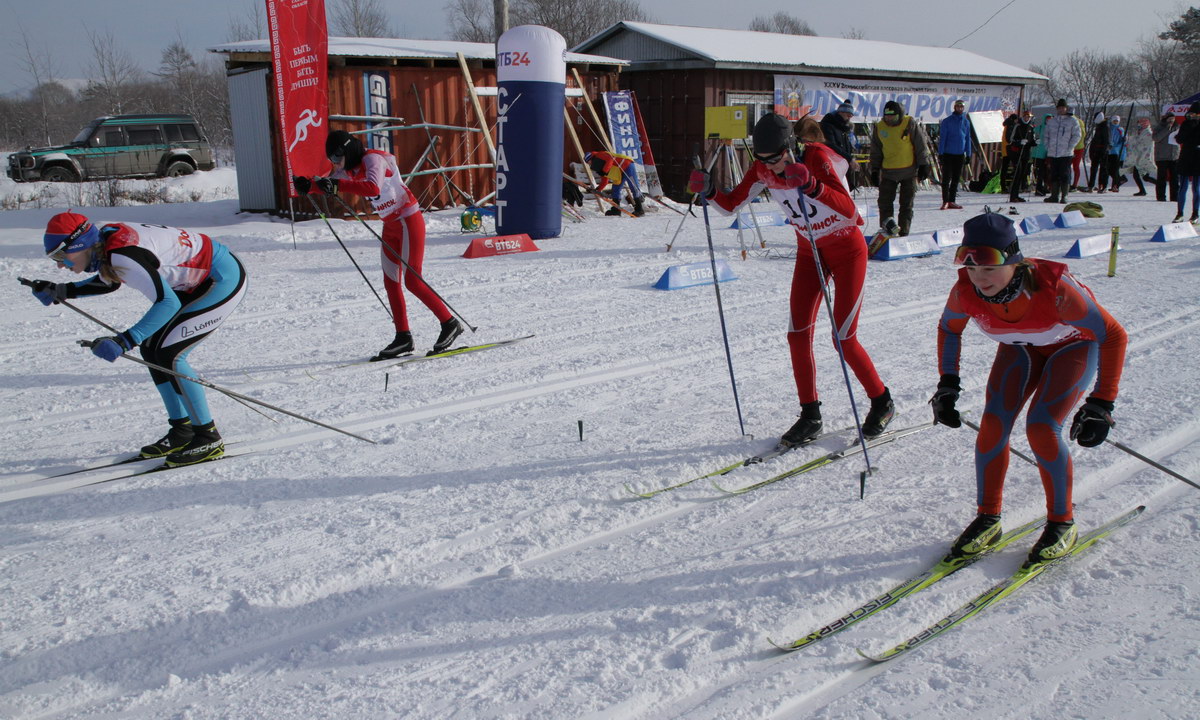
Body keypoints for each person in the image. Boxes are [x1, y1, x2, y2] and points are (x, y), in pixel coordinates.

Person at [932, 210, 1127, 565]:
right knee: (992, 425)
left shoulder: (1055, 292)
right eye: (971, 266)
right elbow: (949, 329)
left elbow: (1112, 334)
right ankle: (988, 517)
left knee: (1041, 427)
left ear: (1014, 260)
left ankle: (1062, 522)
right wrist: (948, 384)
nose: (979, 277)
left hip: (1073, 347)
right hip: (1020, 349)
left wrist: (1102, 402)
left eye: (989, 267)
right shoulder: (965, 291)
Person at [689, 114, 893, 447]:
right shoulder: (763, 170)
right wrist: (710, 190)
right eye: (763, 160)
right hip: (810, 251)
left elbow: (852, 214)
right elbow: (730, 207)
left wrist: (813, 185)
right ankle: (810, 415)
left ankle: (882, 401)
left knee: (843, 337)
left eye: (777, 158)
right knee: (796, 334)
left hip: (847, 250)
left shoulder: (816, 158)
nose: (772, 167)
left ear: (791, 147)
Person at [27, 212, 248, 466]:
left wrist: (124, 341)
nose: (59, 265)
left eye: (59, 256)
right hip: (196, 281)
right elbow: (109, 280)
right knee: (152, 350)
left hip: (222, 279)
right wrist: (61, 291)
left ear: (79, 245)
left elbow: (167, 302)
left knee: (170, 353)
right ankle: (182, 430)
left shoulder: (121, 253)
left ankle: (208, 436)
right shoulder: (108, 245)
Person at [295, 130, 463, 361]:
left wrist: (335, 186)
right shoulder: (350, 168)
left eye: (336, 158)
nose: (335, 164)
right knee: (391, 282)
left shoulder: (373, 160)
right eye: (332, 161)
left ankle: (449, 323)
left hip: (408, 220)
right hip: (391, 225)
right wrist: (308, 185)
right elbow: (330, 182)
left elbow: (372, 187)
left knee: (412, 280)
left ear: (347, 150)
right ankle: (403, 337)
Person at [868, 100, 931, 236]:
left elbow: (920, 145)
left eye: (893, 116)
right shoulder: (879, 127)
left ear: (900, 115)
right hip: (888, 171)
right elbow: (876, 150)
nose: (889, 119)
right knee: (884, 203)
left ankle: (904, 231)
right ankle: (888, 230)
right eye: (887, 116)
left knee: (906, 204)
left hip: (908, 171)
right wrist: (874, 169)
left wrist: (924, 164)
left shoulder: (909, 123)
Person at [1042, 99, 1082, 204]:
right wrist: (1047, 147)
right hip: (1053, 153)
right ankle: (1054, 195)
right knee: (1054, 174)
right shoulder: (1052, 121)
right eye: (1059, 108)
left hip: (1066, 153)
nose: (1061, 110)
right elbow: (1046, 135)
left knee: (1065, 174)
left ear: (1066, 108)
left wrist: (1070, 147)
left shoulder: (1072, 121)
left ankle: (1064, 196)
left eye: (1063, 108)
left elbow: (1077, 135)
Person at [586, 150, 645, 217]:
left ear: (591, 158)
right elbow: (605, 179)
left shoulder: (600, 155)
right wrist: (598, 189)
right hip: (619, 171)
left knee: (633, 186)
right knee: (615, 189)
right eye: (588, 163)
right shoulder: (598, 165)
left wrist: (605, 171)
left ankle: (639, 209)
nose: (589, 164)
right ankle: (616, 210)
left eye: (589, 162)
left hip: (627, 165)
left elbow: (610, 159)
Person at [937, 99, 972, 209]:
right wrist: (941, 153)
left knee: (956, 179)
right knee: (946, 178)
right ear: (954, 107)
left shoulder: (966, 122)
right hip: (948, 153)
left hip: (960, 154)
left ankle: (952, 200)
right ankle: (945, 201)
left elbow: (967, 138)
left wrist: (969, 154)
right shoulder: (947, 121)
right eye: (958, 107)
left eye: (961, 107)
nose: (960, 108)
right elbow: (943, 138)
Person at [820, 99, 859, 189]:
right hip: (833, 165)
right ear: (840, 112)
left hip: (844, 166)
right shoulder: (828, 125)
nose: (849, 118)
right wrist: (849, 159)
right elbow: (831, 146)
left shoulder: (846, 127)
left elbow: (851, 145)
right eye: (848, 115)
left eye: (851, 116)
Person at [1173, 102, 1200, 224]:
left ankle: (1195, 214)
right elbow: (1179, 139)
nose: (1193, 115)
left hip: (1197, 157)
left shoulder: (1189, 123)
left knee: (1196, 187)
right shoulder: (1186, 123)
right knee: (1183, 187)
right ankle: (1180, 214)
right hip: (1186, 156)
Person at [1006, 109, 1037, 202]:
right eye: (1026, 116)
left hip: (1026, 154)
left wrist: (1035, 142)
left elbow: (1031, 141)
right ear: (1023, 117)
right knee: (1017, 173)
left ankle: (1017, 194)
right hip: (1016, 153)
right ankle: (1013, 195)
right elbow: (1010, 140)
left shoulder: (1031, 127)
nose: (1027, 118)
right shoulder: (1018, 126)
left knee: (1022, 174)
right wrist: (1019, 142)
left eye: (1029, 117)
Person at [1153, 112, 1181, 203]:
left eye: (1173, 119)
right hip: (1162, 157)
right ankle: (1161, 197)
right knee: (1162, 177)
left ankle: (1175, 197)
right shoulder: (1159, 127)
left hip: (1174, 156)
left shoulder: (1177, 127)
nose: (1171, 121)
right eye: (1169, 119)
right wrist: (1167, 129)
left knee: (1175, 178)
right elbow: (1156, 138)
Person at [1124, 115, 1153, 196]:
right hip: (1138, 157)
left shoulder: (1148, 133)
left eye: (1140, 124)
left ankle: (1158, 185)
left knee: (1142, 176)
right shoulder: (1140, 132)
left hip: (1144, 157)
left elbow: (1146, 145)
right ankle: (1144, 190)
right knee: (1143, 176)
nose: (1138, 125)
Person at [1081, 112, 1111, 192]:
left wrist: (1104, 151)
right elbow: (1094, 140)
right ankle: (1091, 185)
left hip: (1102, 151)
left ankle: (1103, 186)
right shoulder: (1099, 127)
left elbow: (1106, 141)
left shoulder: (1105, 127)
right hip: (1096, 151)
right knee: (1093, 168)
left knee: (1103, 169)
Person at [1104, 115, 1127, 193]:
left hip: (1115, 152)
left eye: (1117, 121)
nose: (1115, 122)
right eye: (1114, 121)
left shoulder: (1120, 130)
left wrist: (1124, 140)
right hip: (1108, 151)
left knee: (1115, 170)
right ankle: (1120, 179)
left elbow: (1123, 142)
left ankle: (1115, 185)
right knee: (1108, 169)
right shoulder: (1108, 128)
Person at [1030, 114, 1051, 195]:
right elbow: (1034, 136)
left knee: (1046, 172)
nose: (1048, 121)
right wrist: (1035, 141)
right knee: (1040, 172)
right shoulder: (1039, 128)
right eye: (1047, 119)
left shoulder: (1052, 129)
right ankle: (1038, 188)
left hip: (1047, 154)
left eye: (1050, 119)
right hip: (1038, 154)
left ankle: (1043, 187)